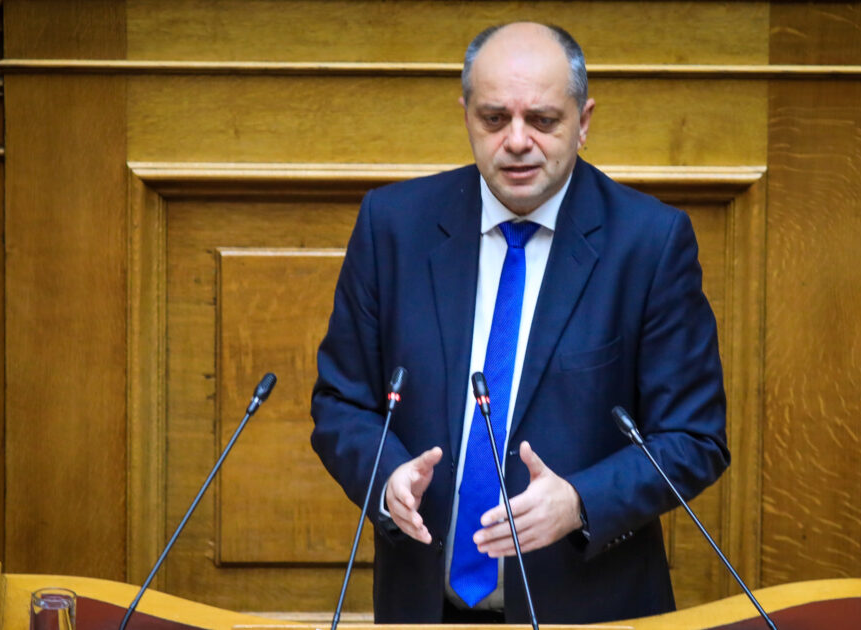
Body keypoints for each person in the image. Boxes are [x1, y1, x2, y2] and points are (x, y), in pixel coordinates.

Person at [311, 22, 728, 624]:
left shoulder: (649, 243)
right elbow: (341, 403)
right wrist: (388, 474)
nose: (516, 141)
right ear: (465, 117)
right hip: (424, 608)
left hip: (587, 610)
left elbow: (694, 438)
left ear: (583, 121)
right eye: (493, 118)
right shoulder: (393, 225)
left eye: (542, 120)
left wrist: (581, 501)